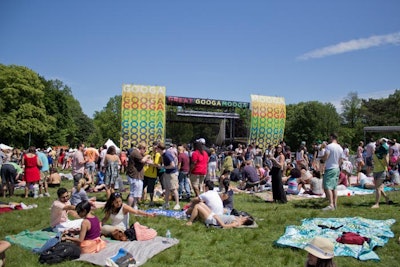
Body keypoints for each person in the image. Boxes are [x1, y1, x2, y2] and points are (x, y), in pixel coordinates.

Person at [185, 201, 253, 228]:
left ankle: (190, 221)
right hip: (214, 216)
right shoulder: (239, 219)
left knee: (197, 206)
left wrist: (217, 218)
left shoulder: (236, 223)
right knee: (201, 204)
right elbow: (240, 216)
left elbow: (224, 226)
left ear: (246, 220)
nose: (244, 216)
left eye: (246, 217)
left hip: (212, 219)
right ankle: (196, 218)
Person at [321, 133, 343, 211]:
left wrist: (322, 159)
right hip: (337, 168)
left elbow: (326, 156)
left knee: (327, 186)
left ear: (331, 137)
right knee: (334, 187)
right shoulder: (340, 147)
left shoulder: (329, 146)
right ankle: (335, 204)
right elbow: (341, 160)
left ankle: (331, 205)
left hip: (330, 168)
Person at [126, 142, 152, 209]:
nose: (145, 152)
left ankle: (135, 206)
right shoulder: (135, 153)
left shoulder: (138, 154)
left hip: (137, 176)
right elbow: (143, 160)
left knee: (136, 194)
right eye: (145, 150)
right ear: (142, 148)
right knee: (132, 193)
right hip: (134, 176)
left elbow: (143, 161)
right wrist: (147, 156)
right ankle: (128, 208)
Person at [156, 142, 180, 210]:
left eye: (157, 148)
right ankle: (166, 204)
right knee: (167, 189)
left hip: (172, 173)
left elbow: (173, 165)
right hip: (167, 173)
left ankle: (177, 204)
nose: (156, 150)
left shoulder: (167, 154)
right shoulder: (163, 154)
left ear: (160, 149)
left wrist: (163, 167)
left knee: (174, 189)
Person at [371, 138, 393, 208]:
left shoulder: (384, 153)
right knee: (378, 187)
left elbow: (387, 163)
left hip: (382, 170)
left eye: (377, 144)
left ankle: (377, 204)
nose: (375, 146)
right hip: (375, 170)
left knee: (377, 187)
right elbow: (373, 161)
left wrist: (385, 156)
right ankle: (386, 198)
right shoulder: (376, 152)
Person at [143, 141, 162, 206]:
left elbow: (157, 165)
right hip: (145, 173)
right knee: (142, 187)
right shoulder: (149, 152)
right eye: (154, 146)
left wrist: (151, 163)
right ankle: (141, 199)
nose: (155, 148)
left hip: (152, 175)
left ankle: (151, 201)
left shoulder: (158, 154)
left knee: (150, 189)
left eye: (157, 147)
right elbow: (144, 157)